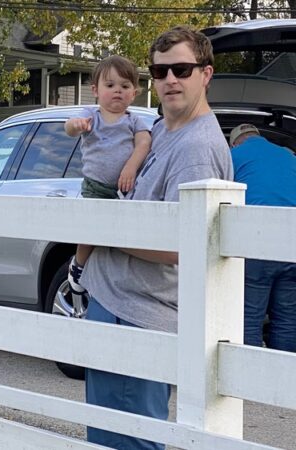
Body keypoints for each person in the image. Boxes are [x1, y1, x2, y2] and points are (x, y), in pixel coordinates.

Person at [78, 26, 233, 450]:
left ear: (206, 74)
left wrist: (102, 230)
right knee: (104, 435)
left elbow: (182, 246)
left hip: (142, 315)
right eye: (160, 71)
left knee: (130, 441)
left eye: (181, 69)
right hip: (114, 304)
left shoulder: (196, 147)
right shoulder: (161, 130)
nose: (169, 80)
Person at [64, 55, 152, 294]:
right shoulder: (91, 115)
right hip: (96, 186)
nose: (117, 91)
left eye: (124, 86)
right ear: (95, 90)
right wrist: (77, 125)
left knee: (121, 236)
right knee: (92, 231)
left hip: (126, 188)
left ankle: (116, 278)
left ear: (134, 93)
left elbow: (144, 143)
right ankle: (78, 266)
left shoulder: (134, 120)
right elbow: (69, 127)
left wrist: (130, 166)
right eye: (110, 85)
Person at [229, 123, 296, 351]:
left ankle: (248, 382)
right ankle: (284, 379)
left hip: (256, 240)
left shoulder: (233, 155)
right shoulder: (288, 156)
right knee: (287, 319)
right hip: (291, 242)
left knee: (250, 316)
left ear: (236, 141)